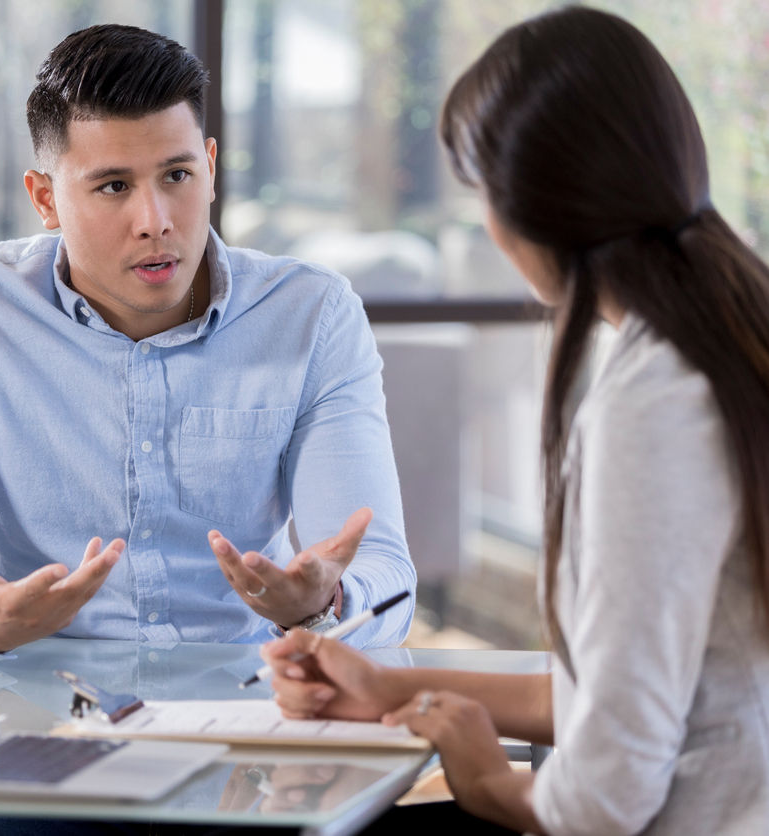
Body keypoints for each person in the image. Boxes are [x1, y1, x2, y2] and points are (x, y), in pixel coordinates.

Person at [263, 6, 769, 834]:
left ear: (529, 207)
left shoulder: (654, 405)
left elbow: (603, 799)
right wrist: (388, 686)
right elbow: (625, 695)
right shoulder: (733, 331)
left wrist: (488, 782)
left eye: (481, 195)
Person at [0, 23, 415, 654]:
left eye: (176, 176)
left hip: (245, 717)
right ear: (46, 199)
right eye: (114, 186)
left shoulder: (311, 315)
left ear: (209, 168)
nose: (155, 222)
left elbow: (388, 586)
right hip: (29, 711)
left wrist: (322, 606)